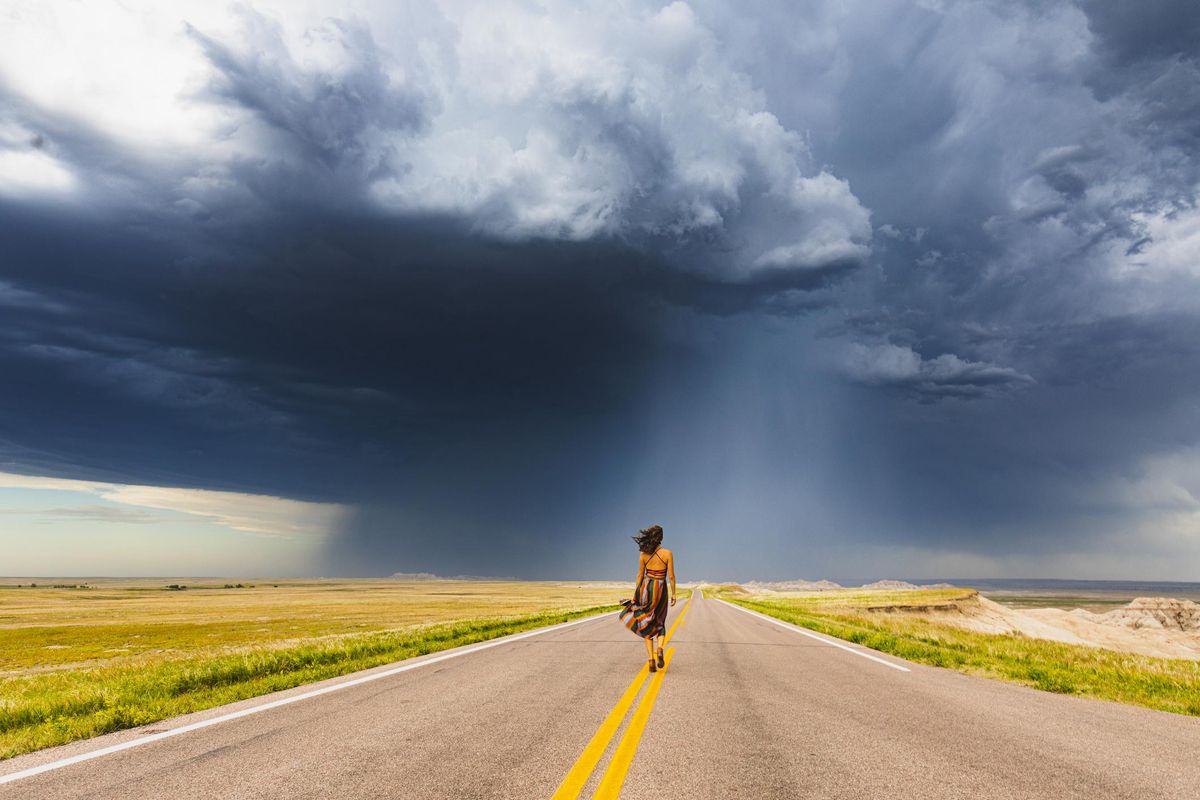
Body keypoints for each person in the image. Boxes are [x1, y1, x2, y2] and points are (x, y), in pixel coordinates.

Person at [618, 524, 676, 673]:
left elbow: (639, 576)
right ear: (661, 538)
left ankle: (651, 661)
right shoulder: (668, 553)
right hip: (661, 589)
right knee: (660, 621)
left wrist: (635, 595)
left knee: (646, 621)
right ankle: (660, 649)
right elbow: (671, 576)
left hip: (646, 589)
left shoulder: (643, 554)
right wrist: (674, 593)